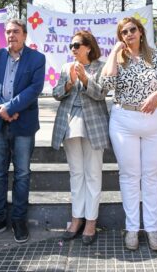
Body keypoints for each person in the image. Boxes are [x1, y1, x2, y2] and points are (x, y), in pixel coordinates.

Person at [102, 17, 157, 251]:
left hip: (156, 122)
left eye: (133, 29)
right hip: (124, 121)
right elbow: (105, 84)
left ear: (141, 32)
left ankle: (152, 229)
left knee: (152, 175)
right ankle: (132, 228)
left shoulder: (155, 55)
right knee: (130, 175)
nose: (129, 34)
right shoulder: (118, 58)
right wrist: (114, 51)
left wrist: (156, 96)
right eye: (123, 32)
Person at [0, 19, 46, 244]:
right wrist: (2, 109)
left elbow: (34, 88)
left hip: (23, 125)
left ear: (25, 35)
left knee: (22, 173)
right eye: (8, 32)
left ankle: (18, 219)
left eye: (16, 32)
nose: (11, 35)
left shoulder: (37, 58)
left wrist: (11, 107)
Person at [51, 30, 108, 245]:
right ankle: (76, 219)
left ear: (88, 47)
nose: (73, 49)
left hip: (93, 125)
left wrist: (85, 80)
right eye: (71, 46)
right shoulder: (66, 67)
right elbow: (56, 94)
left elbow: (101, 94)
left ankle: (91, 221)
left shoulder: (101, 67)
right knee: (76, 173)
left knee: (93, 173)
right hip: (69, 124)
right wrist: (68, 83)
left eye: (77, 45)